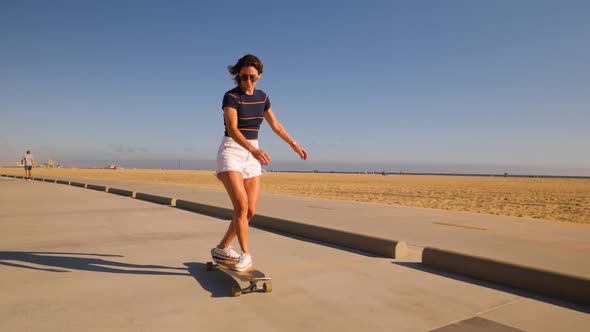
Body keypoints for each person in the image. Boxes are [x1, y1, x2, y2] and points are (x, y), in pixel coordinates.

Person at [212, 54, 308, 271]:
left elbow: (275, 125)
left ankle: (222, 248)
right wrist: (253, 149)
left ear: (260, 76)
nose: (248, 82)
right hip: (232, 151)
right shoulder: (231, 97)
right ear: (238, 76)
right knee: (241, 205)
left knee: (250, 211)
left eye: (252, 78)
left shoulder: (262, 97)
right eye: (244, 77)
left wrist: (294, 144)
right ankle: (245, 254)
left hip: (252, 152)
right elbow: (233, 129)